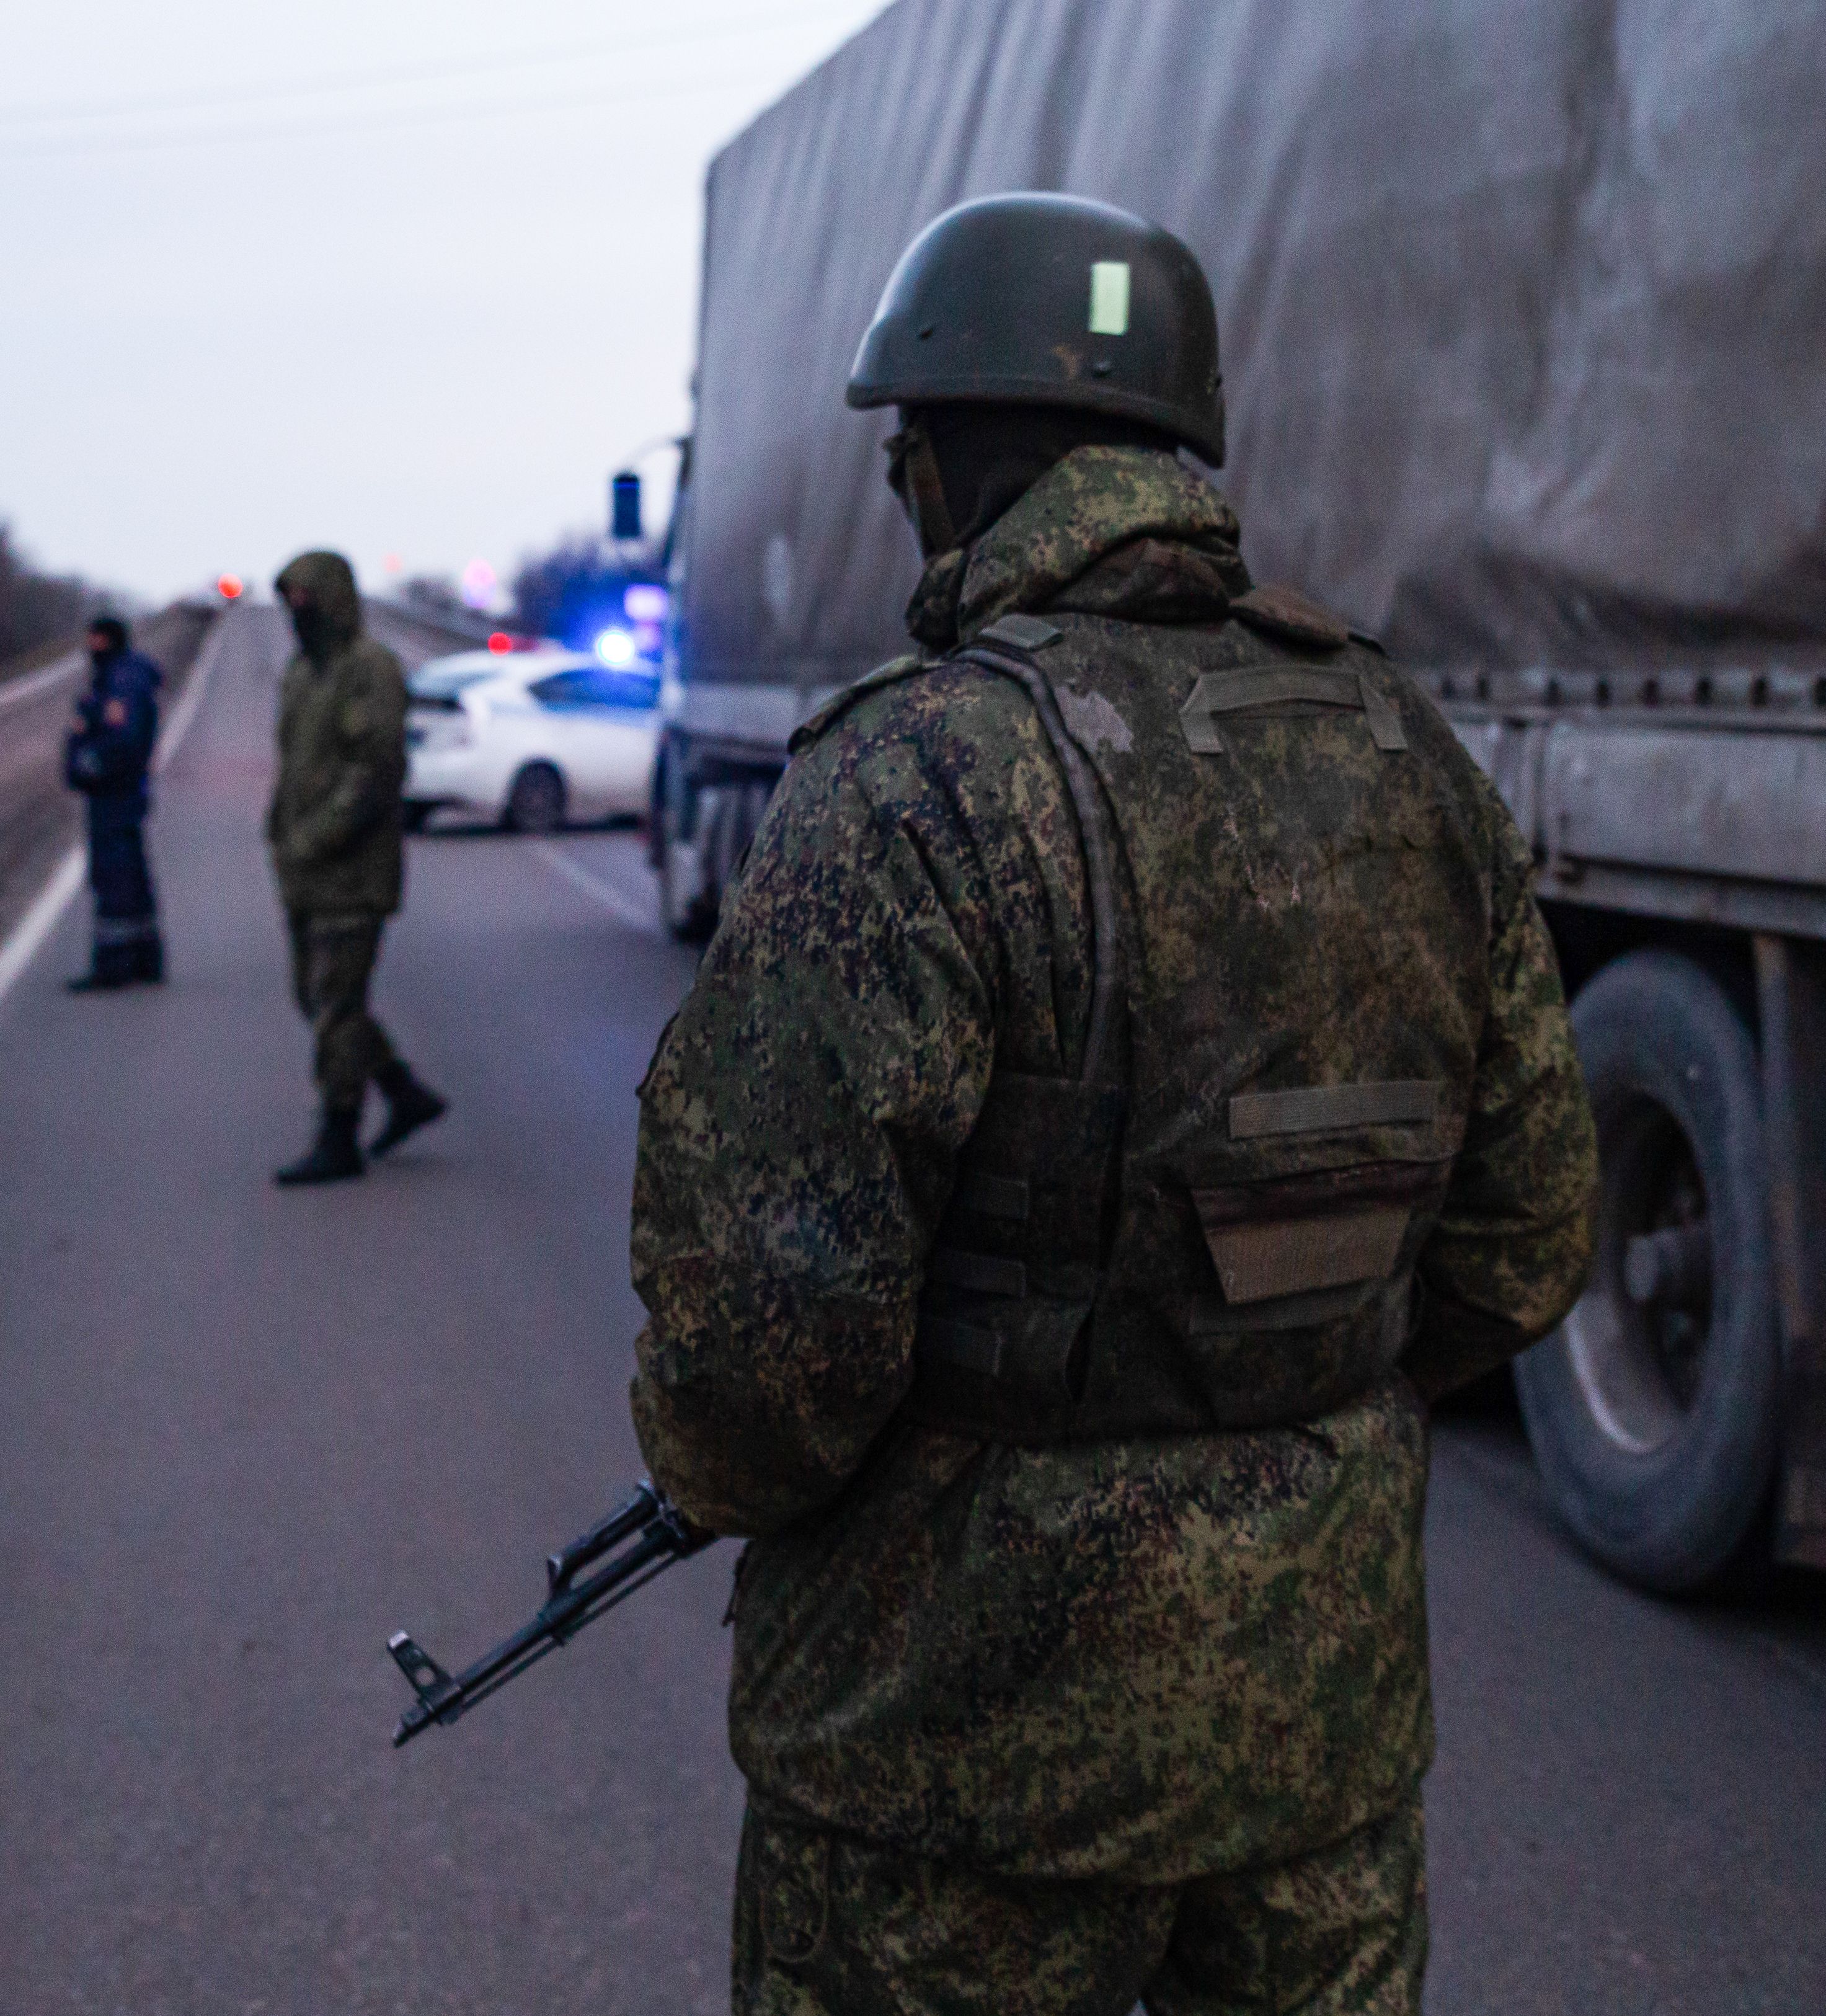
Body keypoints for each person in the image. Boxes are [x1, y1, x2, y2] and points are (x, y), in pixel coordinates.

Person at [626, 193, 1599, 2015]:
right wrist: (1268, 1402)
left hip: (953, 1772)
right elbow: (1527, 1233)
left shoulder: (913, 774)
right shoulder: (1402, 749)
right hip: (1312, 1743)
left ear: (937, 468)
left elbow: (763, 1354)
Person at [265, 549, 446, 1184]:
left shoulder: (370, 670)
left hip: (352, 871)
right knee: (312, 998)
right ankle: (402, 1090)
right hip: (303, 870)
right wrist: (281, 834)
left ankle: (338, 1130)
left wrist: (315, 837)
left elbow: (374, 772)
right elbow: (294, 765)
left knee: (338, 1004)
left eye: (307, 599)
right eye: (290, 600)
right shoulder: (300, 673)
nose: (297, 611)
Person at [64, 613, 168, 990]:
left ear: (107, 640)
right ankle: (144, 958)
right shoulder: (117, 677)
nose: (89, 646)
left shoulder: (122, 682)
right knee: (130, 873)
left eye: (95, 639)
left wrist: (88, 764)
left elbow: (122, 740)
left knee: (114, 875)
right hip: (119, 792)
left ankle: (115, 965)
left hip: (115, 794)